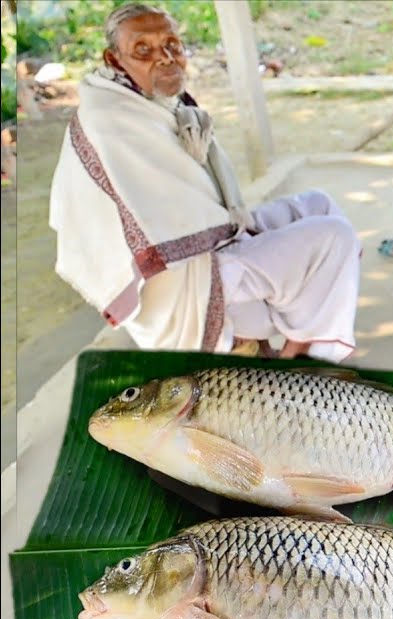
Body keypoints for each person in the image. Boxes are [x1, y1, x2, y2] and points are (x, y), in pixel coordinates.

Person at [49, 3, 360, 362]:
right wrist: (240, 236)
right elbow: (170, 228)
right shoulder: (111, 117)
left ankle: (298, 330)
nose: (165, 58)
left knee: (318, 205)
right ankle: (297, 361)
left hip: (207, 245)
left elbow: (198, 202)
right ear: (114, 59)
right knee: (334, 237)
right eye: (143, 49)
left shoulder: (154, 101)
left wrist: (240, 232)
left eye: (172, 44)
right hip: (180, 279)